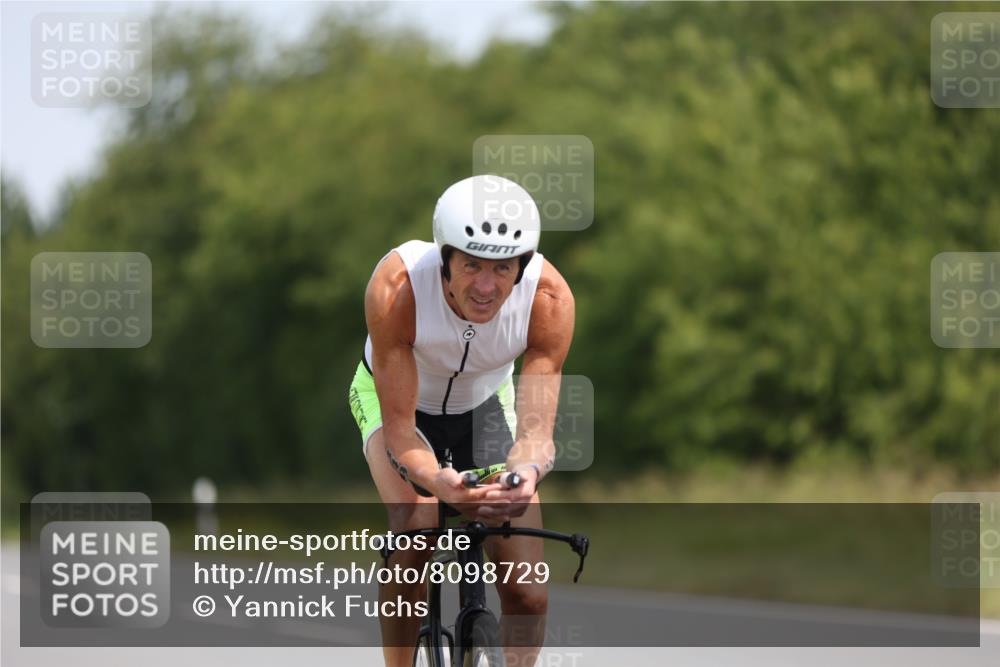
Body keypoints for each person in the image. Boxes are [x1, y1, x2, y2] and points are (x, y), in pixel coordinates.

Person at [348, 174, 575, 666]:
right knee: (418, 519)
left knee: (528, 591)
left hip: (484, 406)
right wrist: (437, 483)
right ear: (445, 258)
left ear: (524, 265)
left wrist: (523, 476)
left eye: (503, 267)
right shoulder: (398, 288)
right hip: (399, 406)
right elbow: (403, 434)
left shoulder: (548, 301)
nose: (488, 286)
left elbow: (537, 435)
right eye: (472, 265)